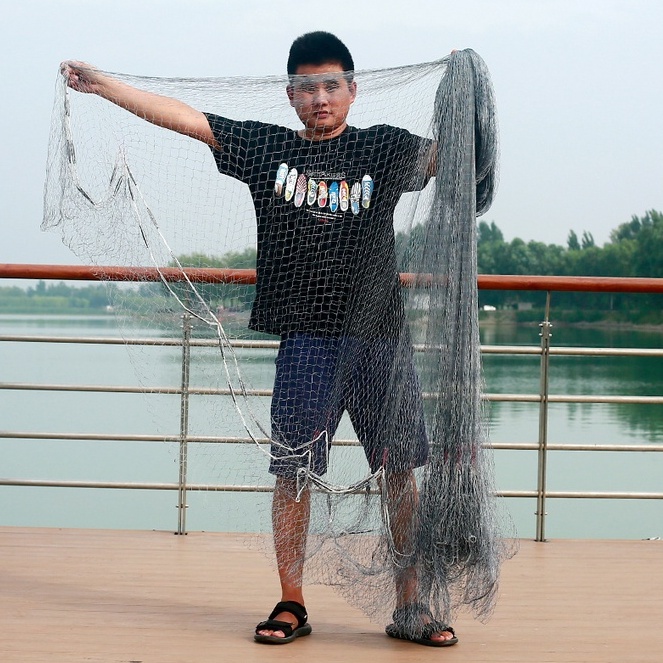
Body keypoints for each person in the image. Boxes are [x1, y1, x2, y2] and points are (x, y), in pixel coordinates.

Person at [62, 31, 457, 647]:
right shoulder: (269, 148)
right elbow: (187, 120)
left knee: (400, 470)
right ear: (290, 96)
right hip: (306, 341)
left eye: (331, 86)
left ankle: (412, 605)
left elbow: (451, 158)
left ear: (353, 90)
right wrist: (104, 85)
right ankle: (291, 601)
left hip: (381, 337)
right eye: (307, 88)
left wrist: (466, 98)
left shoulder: (383, 148)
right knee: (293, 471)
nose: (320, 98)